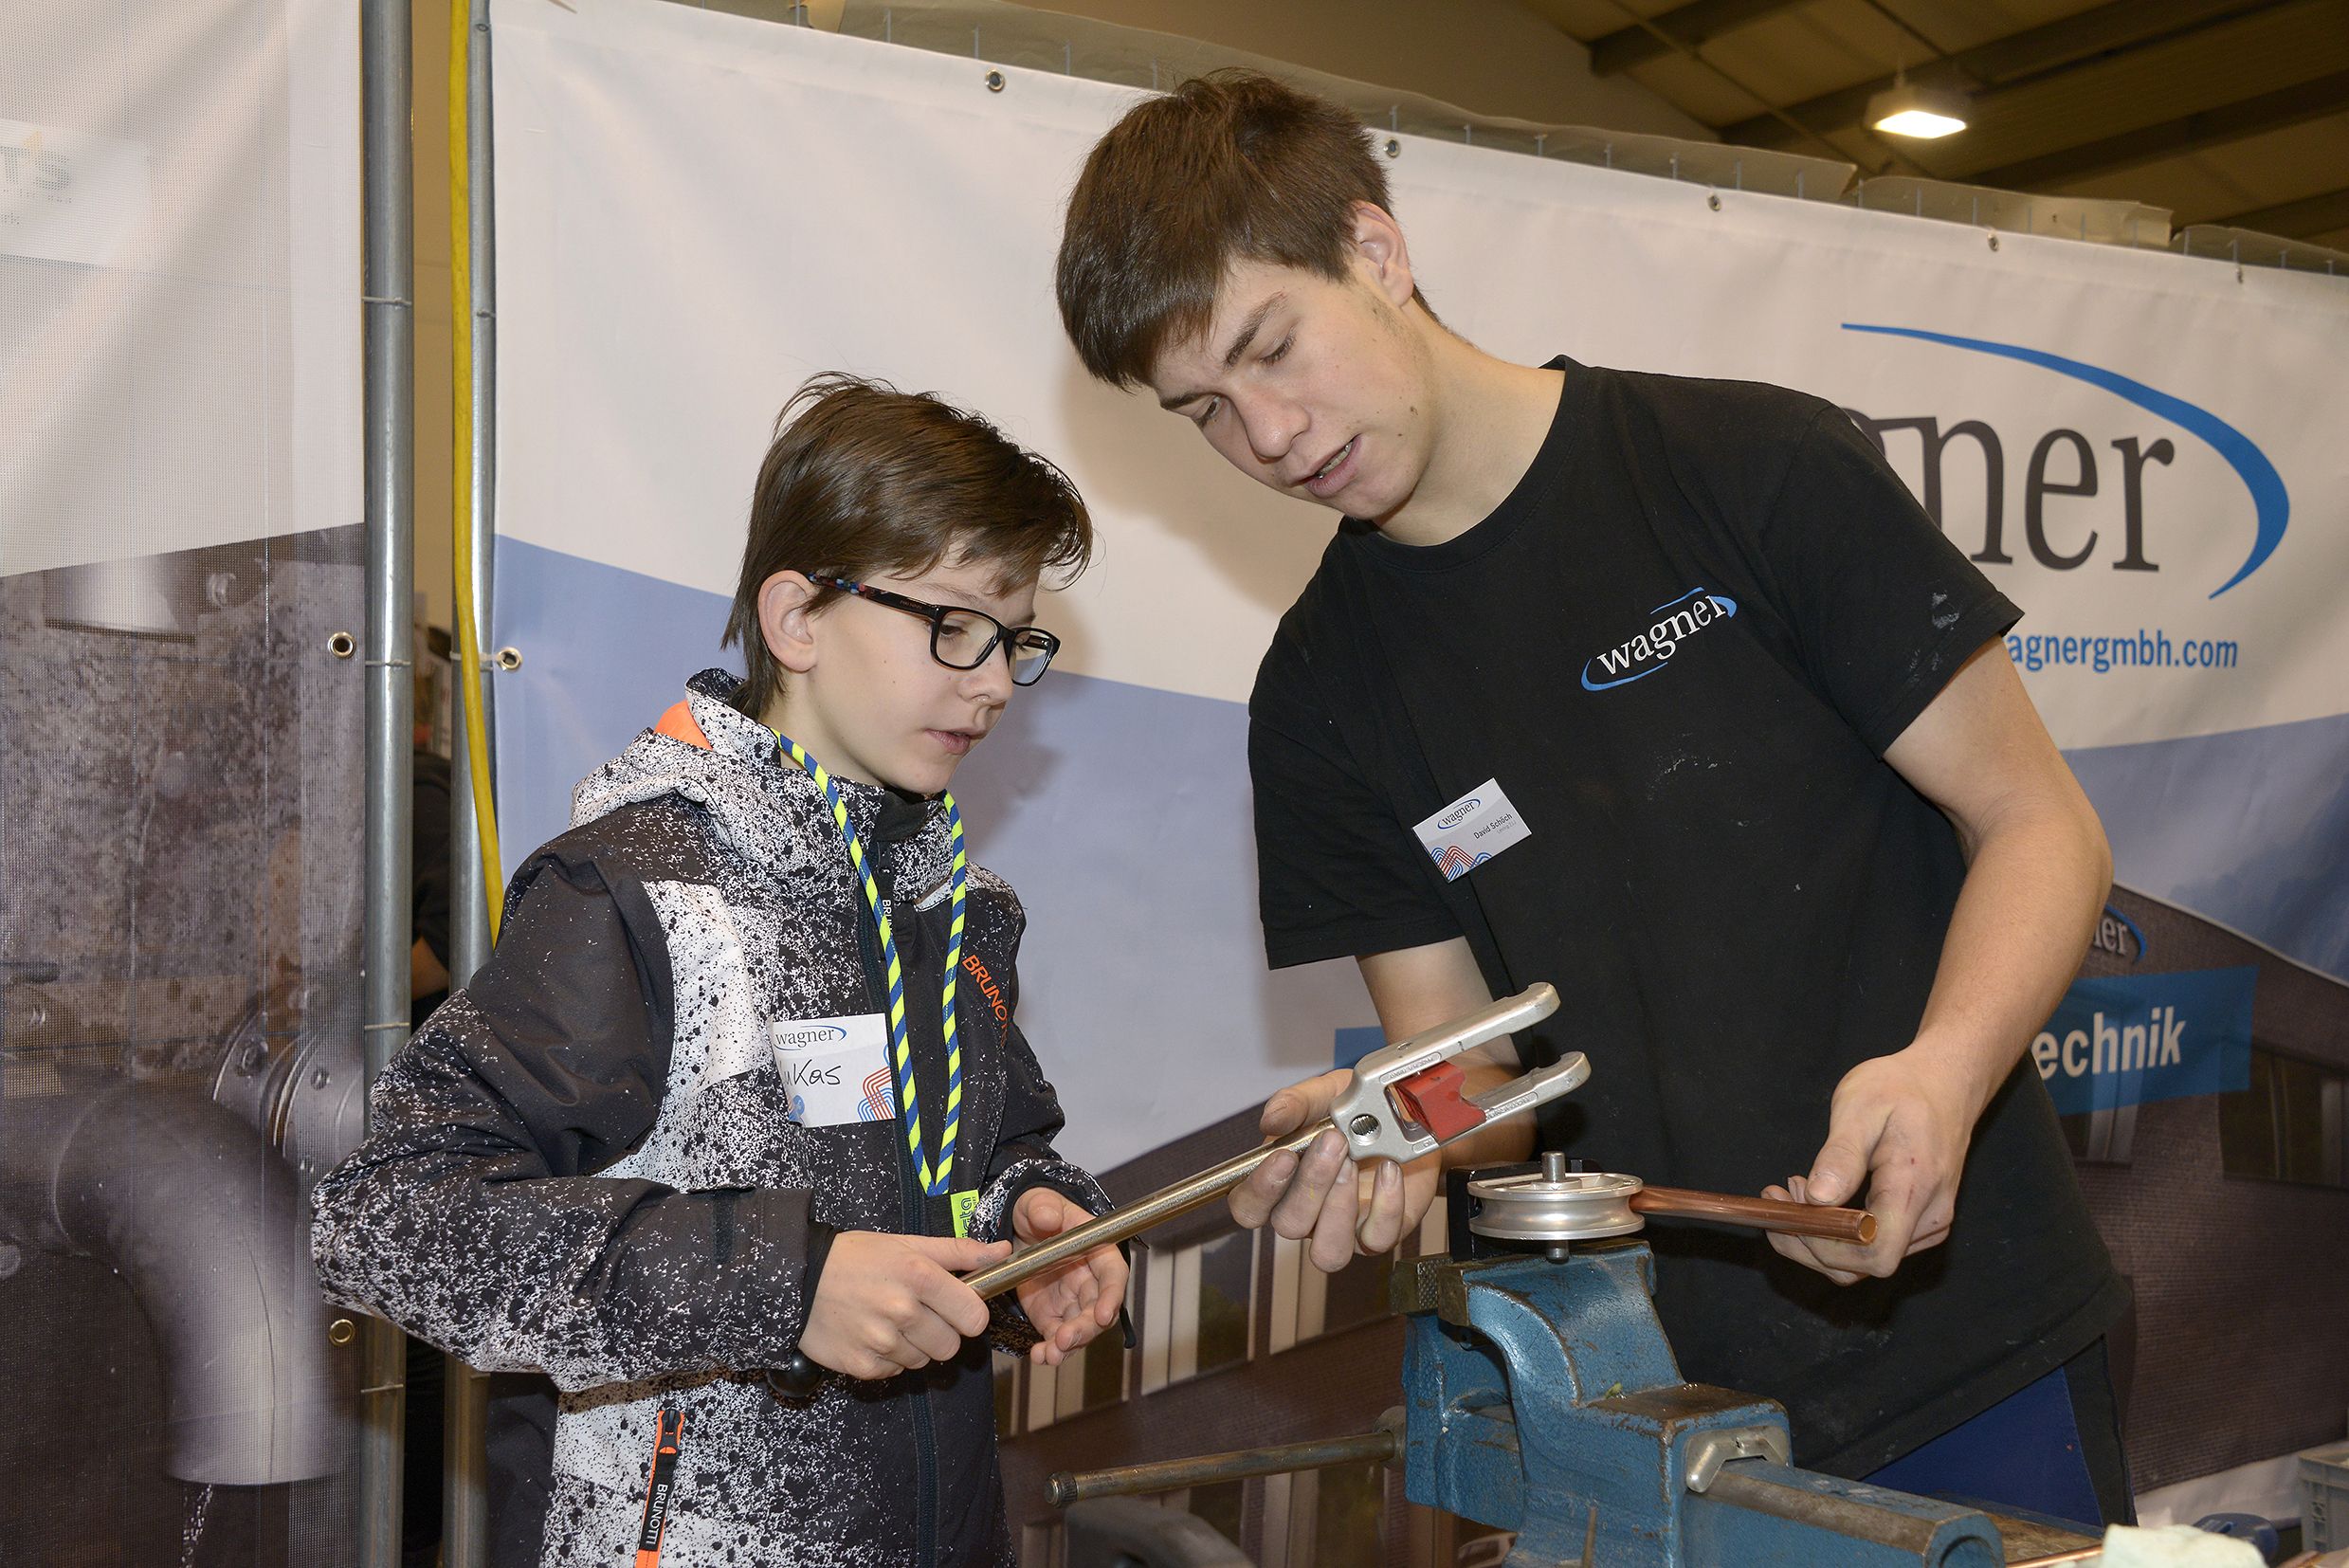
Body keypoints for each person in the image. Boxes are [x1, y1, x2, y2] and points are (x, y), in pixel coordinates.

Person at [1054, 71, 2133, 1523]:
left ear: (1373, 251)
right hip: (1644, 1417)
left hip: (1973, 1343)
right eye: (1205, 410)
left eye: (1272, 348)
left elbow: (2038, 824)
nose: (1269, 434)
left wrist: (1939, 1072)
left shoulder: (1753, 472)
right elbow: (1478, 1073)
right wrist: (1388, 1120)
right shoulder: (1319, 696)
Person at [312, 374, 1129, 1567]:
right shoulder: (634, 888)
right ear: (797, 618)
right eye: (955, 626)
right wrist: (783, 1285)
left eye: (1015, 641)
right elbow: (391, 1220)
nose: (996, 680)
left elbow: (984, 1157)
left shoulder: (958, 910)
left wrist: (1030, 1224)